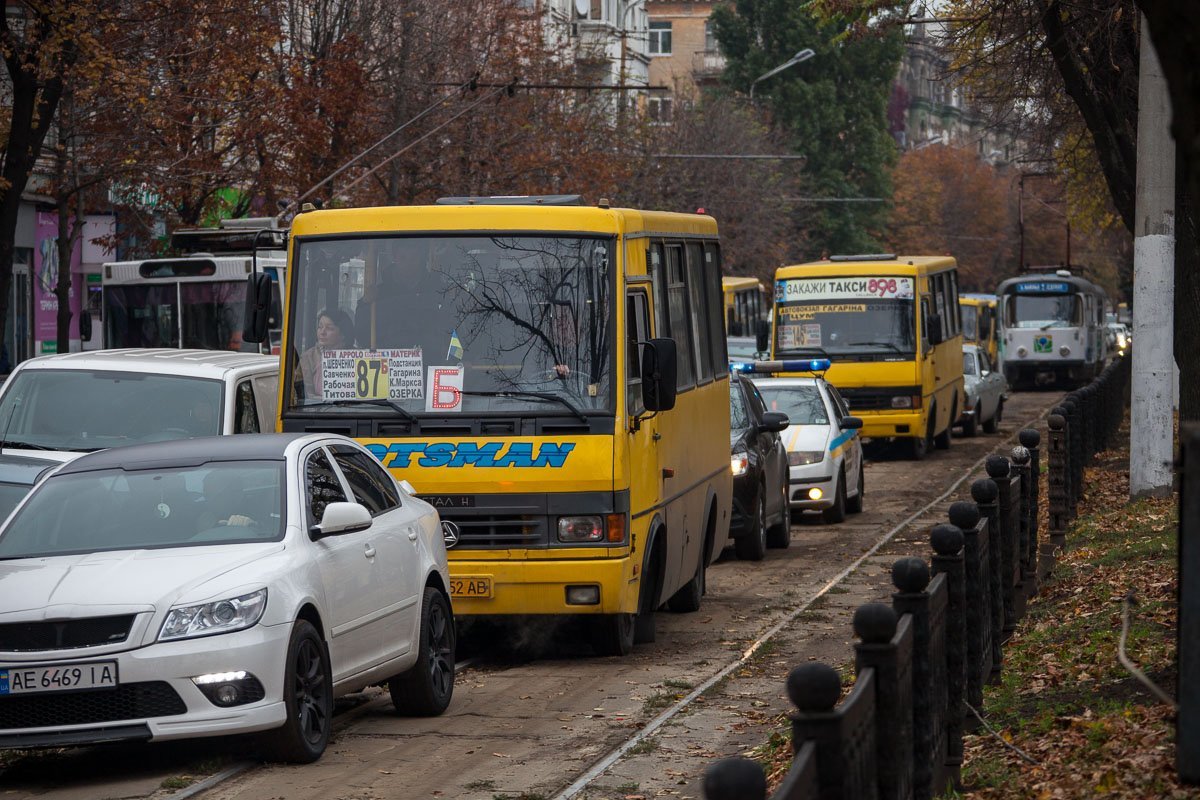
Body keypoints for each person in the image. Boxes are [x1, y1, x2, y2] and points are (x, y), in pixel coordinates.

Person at [298, 308, 353, 399]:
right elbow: (305, 395)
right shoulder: (308, 357)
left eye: (329, 328)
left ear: (343, 334)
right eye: (320, 327)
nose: (322, 332)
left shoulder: (357, 355)